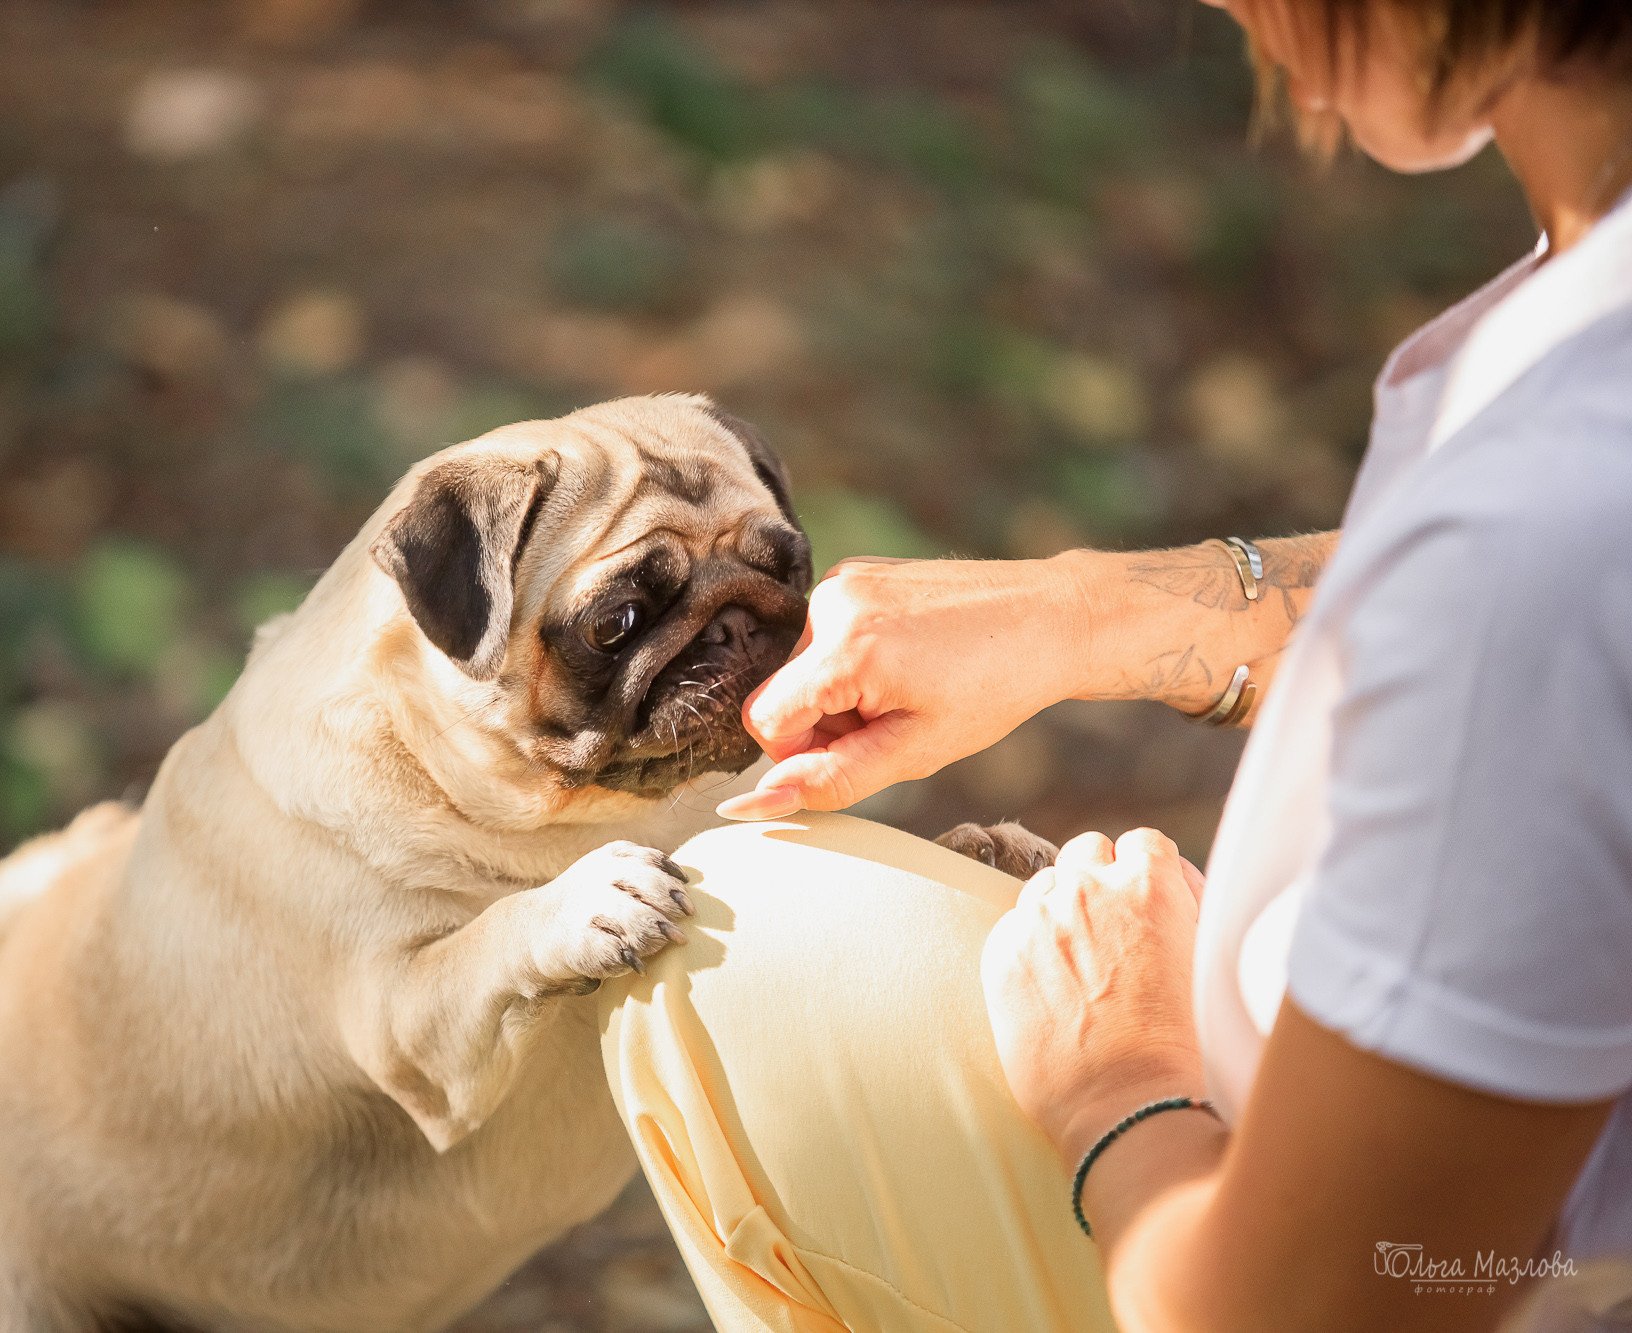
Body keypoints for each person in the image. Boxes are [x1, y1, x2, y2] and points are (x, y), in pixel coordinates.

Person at [596, 0, 1632, 1329]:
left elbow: (1308, 1312)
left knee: (730, 948)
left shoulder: (1542, 531)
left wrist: (1124, 1090)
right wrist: (1090, 613)